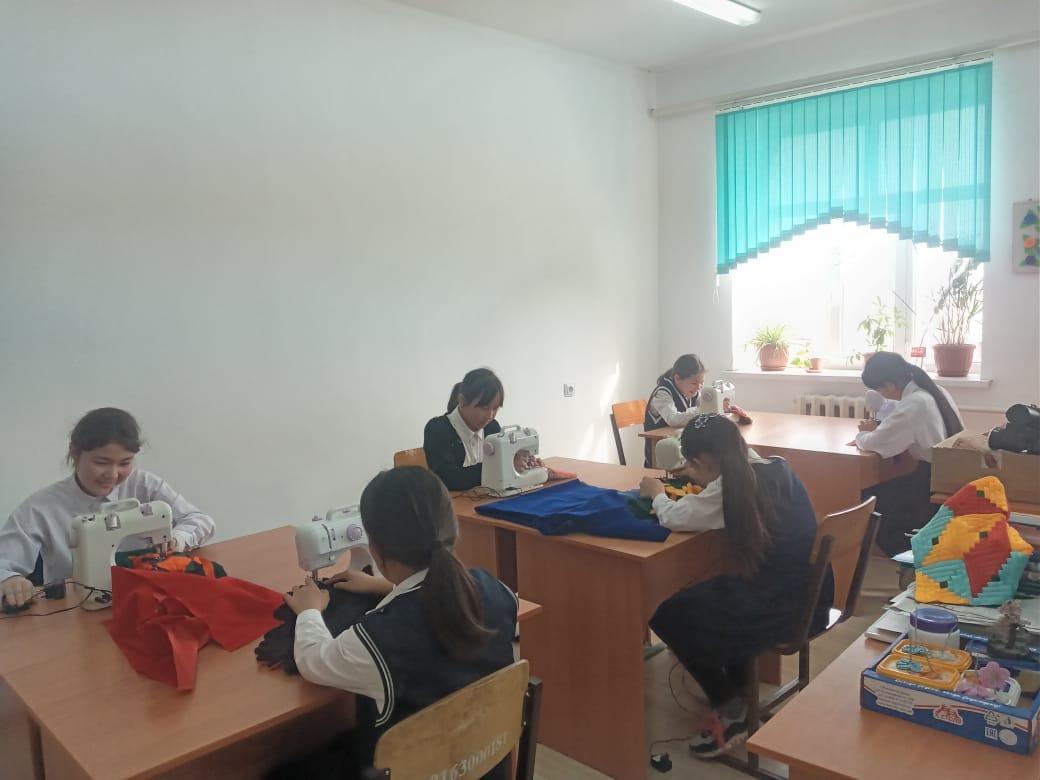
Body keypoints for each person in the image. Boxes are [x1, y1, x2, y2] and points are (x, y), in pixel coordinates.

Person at [277, 466, 518, 779]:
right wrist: (388, 587)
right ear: (452, 528)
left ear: (374, 549)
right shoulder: (498, 591)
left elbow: (313, 660)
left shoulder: (378, 640)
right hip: (483, 762)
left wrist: (309, 610)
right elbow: (442, 606)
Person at [639, 414, 832, 759]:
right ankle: (740, 686)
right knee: (710, 590)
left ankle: (728, 701)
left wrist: (656, 494)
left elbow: (674, 517)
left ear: (703, 460)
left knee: (666, 613)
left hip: (779, 608)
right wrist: (705, 478)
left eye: (693, 463)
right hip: (810, 595)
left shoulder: (732, 487)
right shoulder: (776, 466)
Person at [0, 407, 215, 608]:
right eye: (101, 462)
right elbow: (4, 562)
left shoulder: (145, 485)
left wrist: (179, 538)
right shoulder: (40, 508)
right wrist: (10, 579)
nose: (112, 475)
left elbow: (200, 520)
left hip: (146, 597)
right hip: (75, 610)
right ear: (74, 452)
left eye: (125, 463)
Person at [855, 352, 964, 555]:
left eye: (878, 388)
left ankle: (904, 553)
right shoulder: (935, 391)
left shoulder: (914, 404)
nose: (880, 394)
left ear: (889, 384)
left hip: (929, 483)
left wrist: (863, 433)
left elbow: (874, 443)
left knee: (863, 496)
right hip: (949, 476)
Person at [423, 368, 504, 490]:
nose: (490, 416)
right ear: (462, 401)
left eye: (495, 408)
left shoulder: (492, 427)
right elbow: (446, 479)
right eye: (484, 408)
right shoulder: (437, 429)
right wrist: (497, 468)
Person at [644, 354, 707, 467]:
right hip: (661, 454)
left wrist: (715, 405)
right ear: (677, 379)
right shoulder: (662, 393)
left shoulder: (692, 391)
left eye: (702, 383)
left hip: (680, 449)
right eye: (694, 383)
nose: (698, 387)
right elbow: (674, 419)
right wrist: (703, 410)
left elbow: (704, 406)